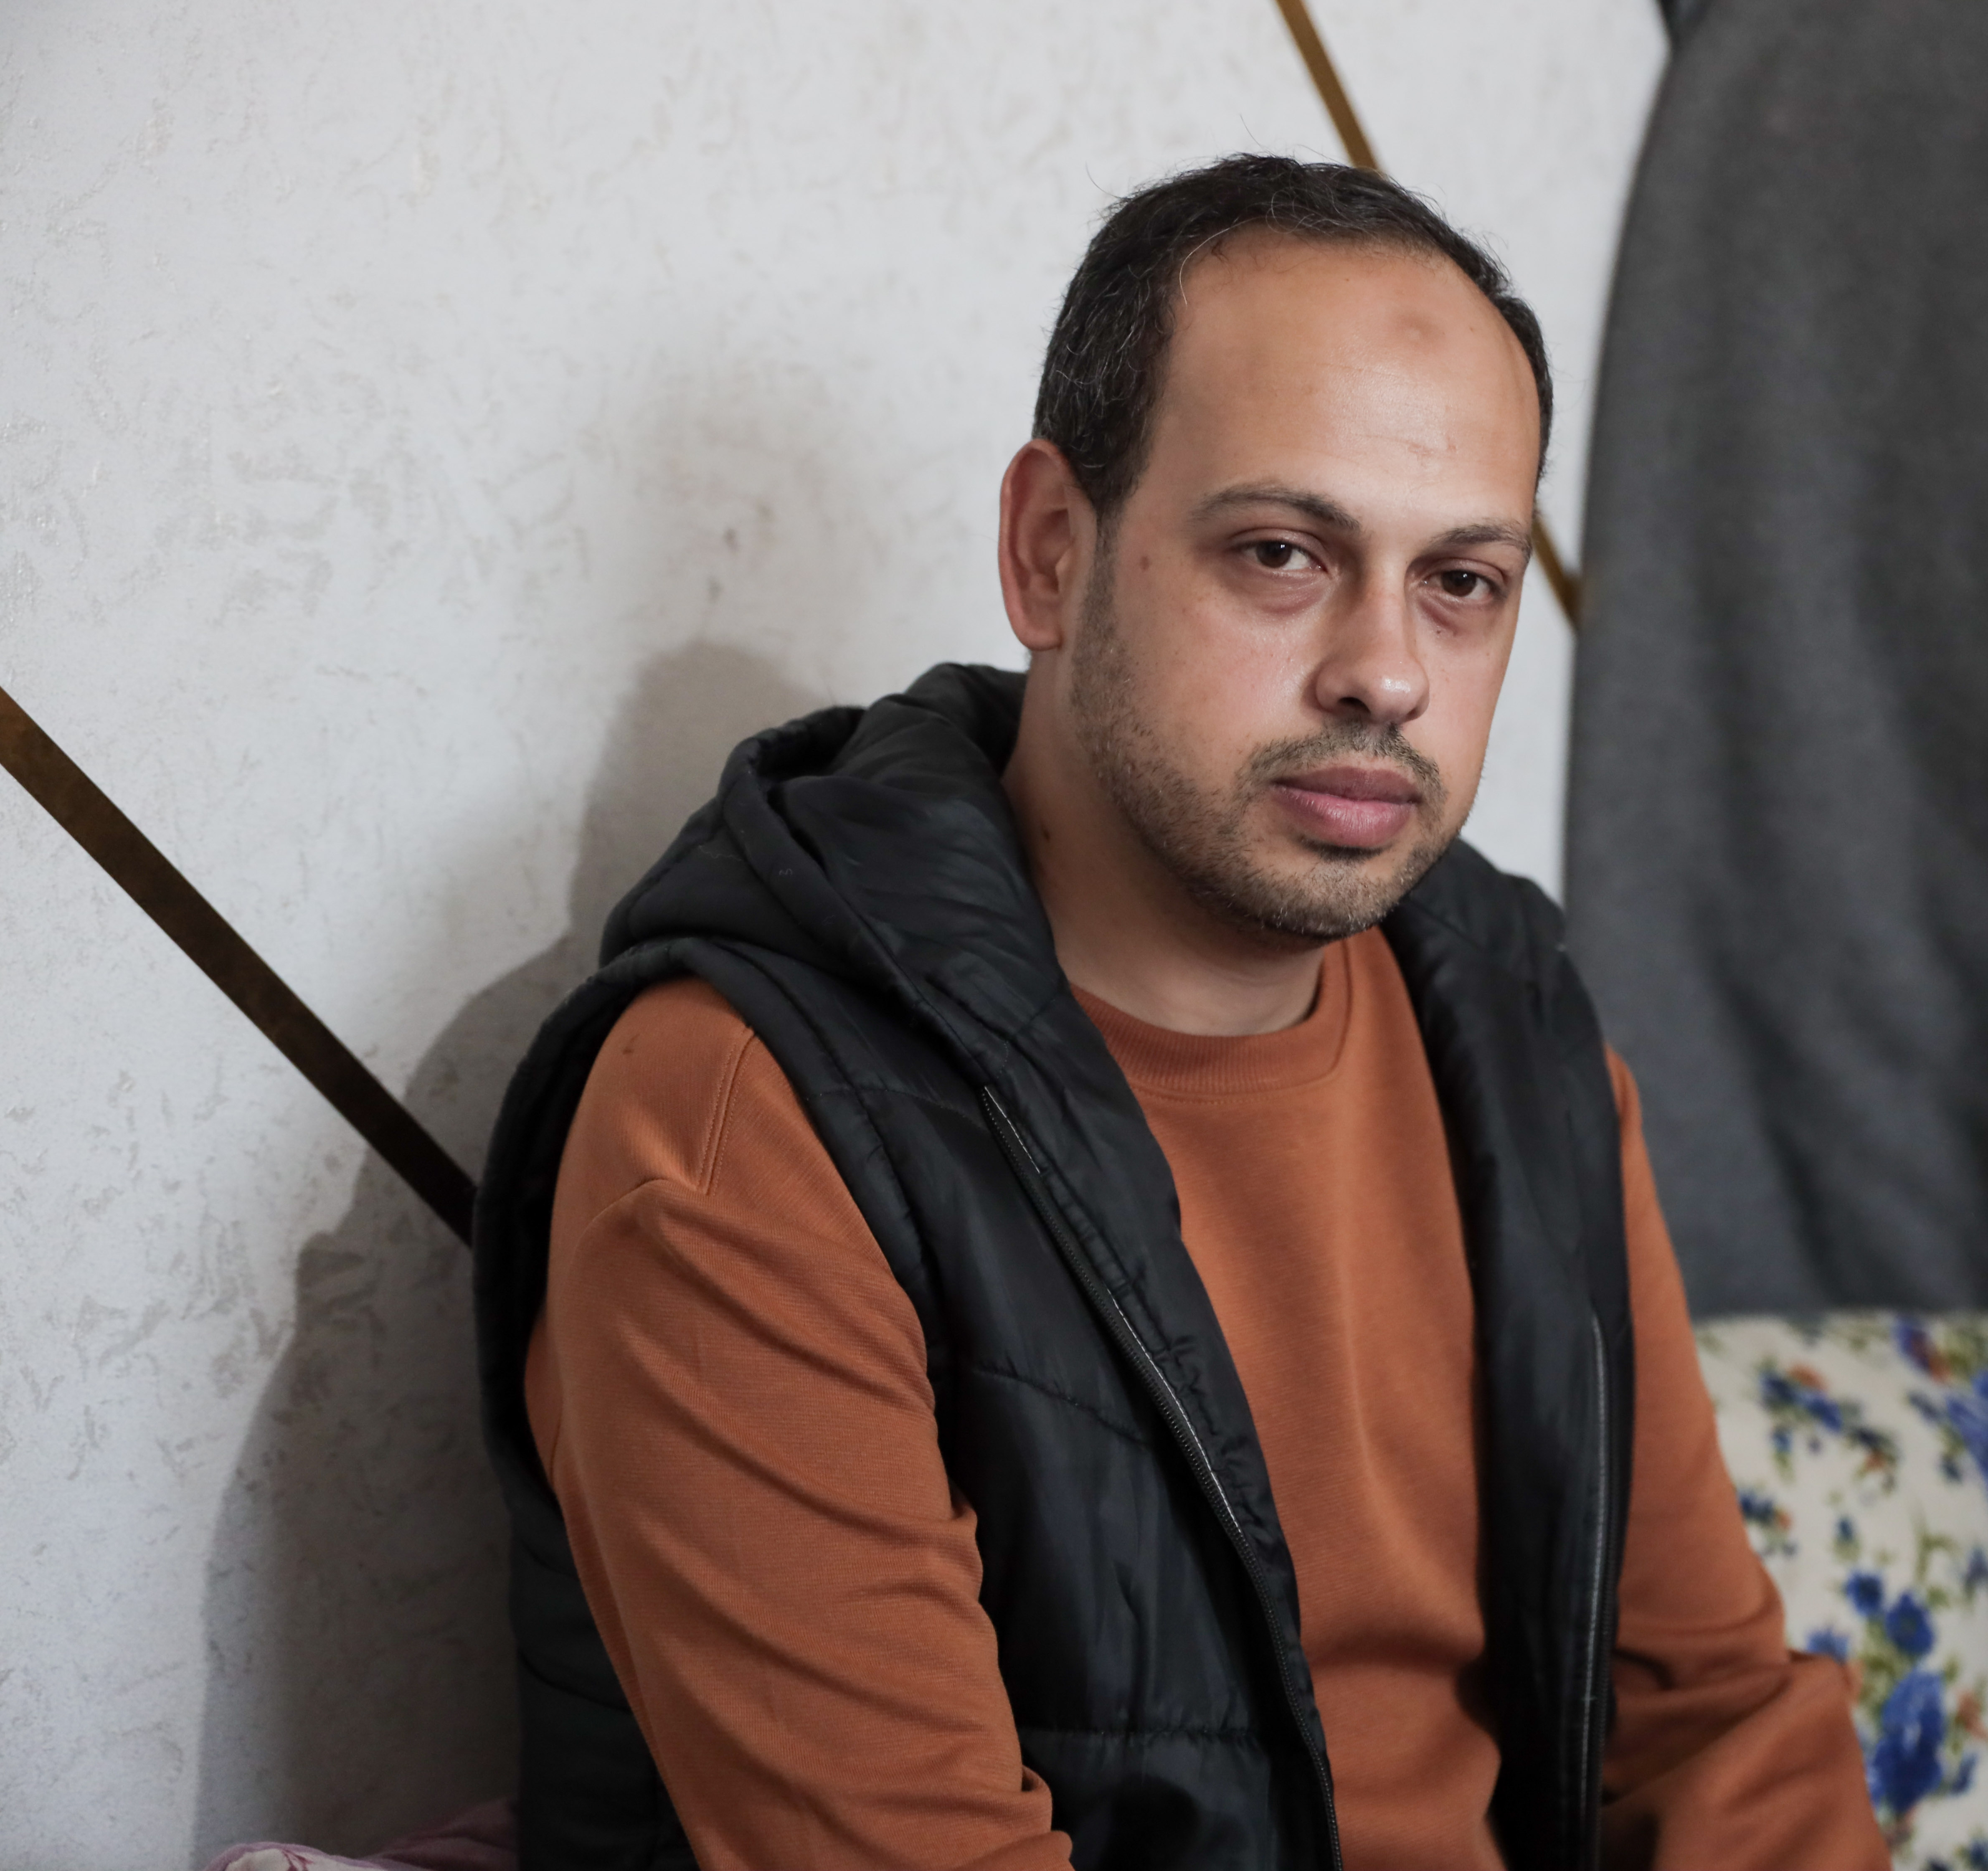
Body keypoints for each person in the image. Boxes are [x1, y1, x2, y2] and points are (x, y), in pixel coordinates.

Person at [474, 154, 1884, 1871]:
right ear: (1053, 554)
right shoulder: (741, 1125)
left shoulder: (1515, 1030)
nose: (1387, 670)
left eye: (1463, 582)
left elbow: (1715, 1718)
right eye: (1286, 553)